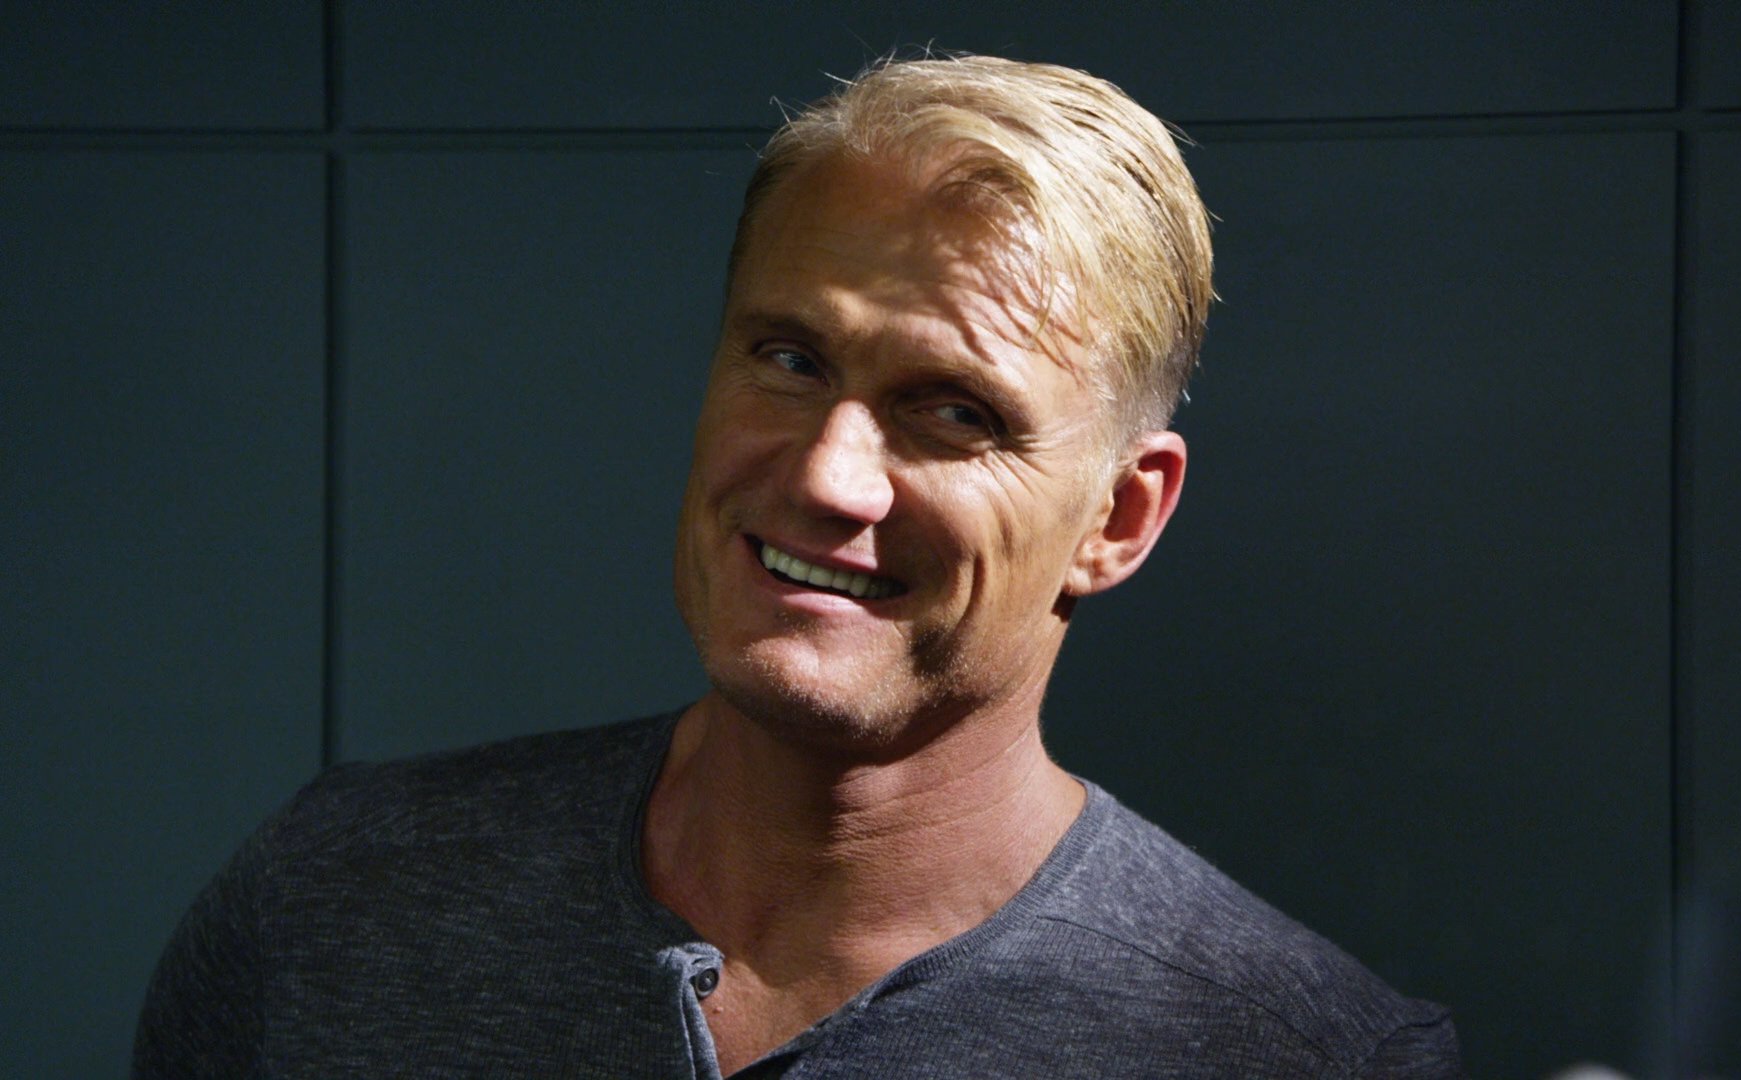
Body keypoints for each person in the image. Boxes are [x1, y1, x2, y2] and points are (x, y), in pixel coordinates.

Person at [134, 55, 1463, 1078]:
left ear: (1118, 518)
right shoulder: (333, 902)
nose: (830, 475)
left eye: (954, 411)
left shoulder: (1304, 1055)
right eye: (790, 359)